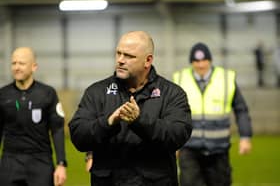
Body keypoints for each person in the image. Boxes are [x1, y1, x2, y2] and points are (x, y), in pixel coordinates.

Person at [69, 31, 192, 186]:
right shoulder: (97, 92)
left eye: (128, 56)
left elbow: (178, 135)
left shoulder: (172, 93)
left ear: (148, 61)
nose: (120, 60)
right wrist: (107, 123)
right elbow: (78, 135)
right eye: (118, 53)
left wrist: (140, 121)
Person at [173, 42, 253, 186]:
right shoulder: (179, 79)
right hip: (189, 150)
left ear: (210, 60)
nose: (200, 64)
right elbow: (172, 114)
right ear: (191, 62)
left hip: (219, 150)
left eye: (204, 60)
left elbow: (241, 109)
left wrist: (245, 136)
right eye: (196, 61)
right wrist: (173, 145)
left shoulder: (226, 79)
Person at [0, 47, 67, 186]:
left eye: (21, 63)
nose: (16, 67)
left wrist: (61, 164)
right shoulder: (3, 94)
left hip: (40, 162)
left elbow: (57, 129)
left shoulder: (47, 93)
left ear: (34, 67)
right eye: (14, 63)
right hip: (10, 162)